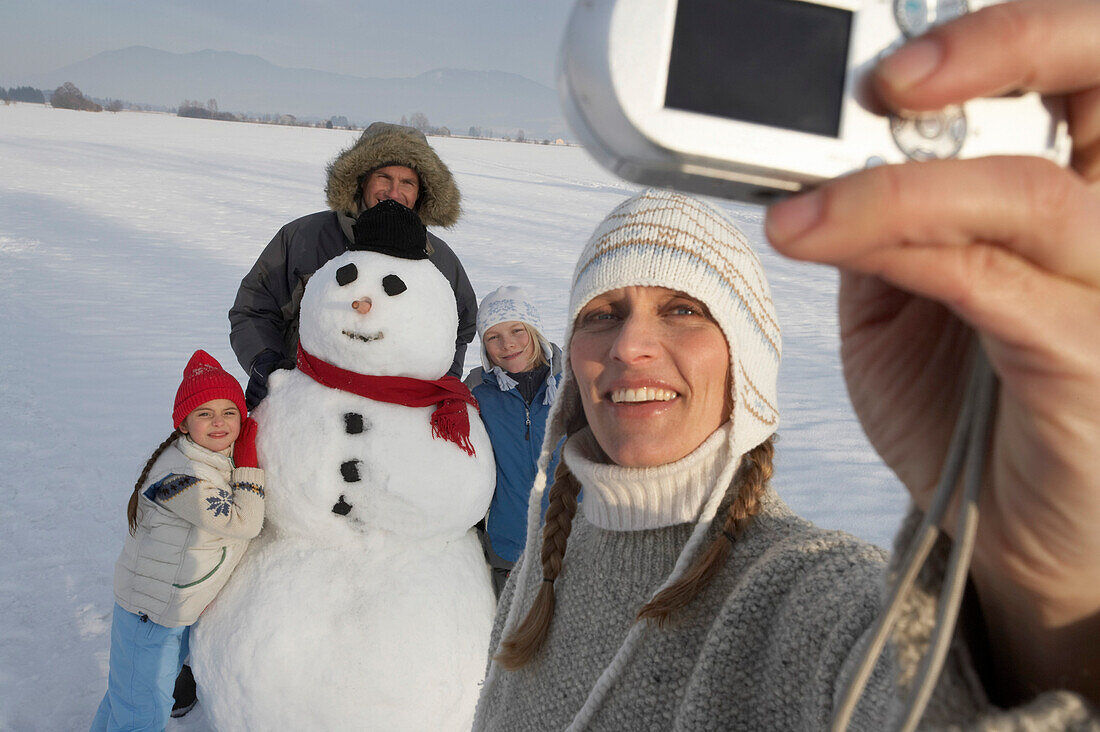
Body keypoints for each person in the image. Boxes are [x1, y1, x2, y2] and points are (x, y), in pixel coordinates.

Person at [474, 31, 1100, 718]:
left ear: (749, 364)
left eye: (683, 309)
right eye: (603, 314)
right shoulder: (550, 559)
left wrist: (1037, 593)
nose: (631, 346)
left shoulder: (805, 595)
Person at [229, 122, 477, 408]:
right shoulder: (303, 238)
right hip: (307, 404)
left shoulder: (439, 259)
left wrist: (440, 384)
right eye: (384, 177)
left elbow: (460, 330)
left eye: (407, 182)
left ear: (421, 192)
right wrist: (267, 363)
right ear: (361, 180)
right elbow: (253, 309)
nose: (394, 191)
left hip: (398, 415)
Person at [91, 351, 266, 731]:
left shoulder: (208, 457)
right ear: (184, 423)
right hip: (150, 617)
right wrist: (250, 463)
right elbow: (243, 522)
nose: (219, 422)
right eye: (204, 413)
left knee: (126, 699)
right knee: (141, 713)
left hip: (169, 611)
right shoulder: (180, 475)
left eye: (229, 411)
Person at [464, 286, 563, 597]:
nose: (507, 344)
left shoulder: (576, 383)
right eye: (493, 337)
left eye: (517, 330)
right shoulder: (477, 391)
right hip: (508, 547)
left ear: (534, 331)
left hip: (575, 543)